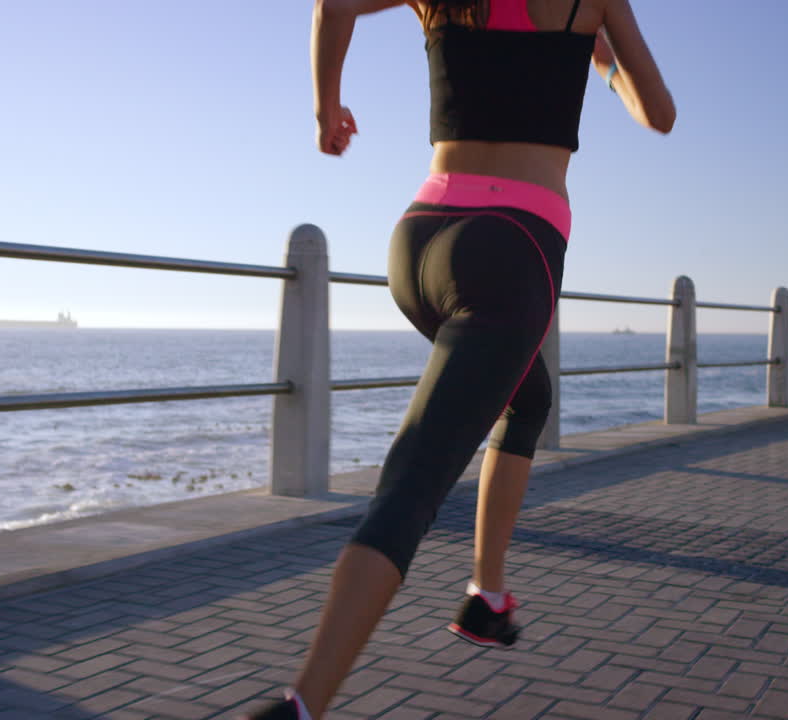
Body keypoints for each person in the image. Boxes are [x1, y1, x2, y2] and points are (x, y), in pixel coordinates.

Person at [245, 1, 673, 717]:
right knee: (411, 487)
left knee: (527, 397)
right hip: (511, 248)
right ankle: (302, 703)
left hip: (418, 244)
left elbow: (333, 4)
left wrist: (328, 111)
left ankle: (487, 596)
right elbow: (659, 114)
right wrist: (602, 60)